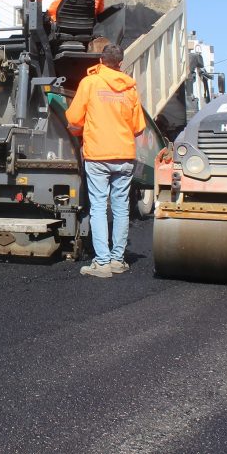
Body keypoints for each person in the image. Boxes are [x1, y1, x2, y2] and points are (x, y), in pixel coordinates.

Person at [66, 43, 147, 278]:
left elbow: (73, 117)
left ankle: (101, 263)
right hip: (124, 155)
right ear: (120, 63)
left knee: (99, 207)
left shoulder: (90, 83)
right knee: (121, 209)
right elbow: (138, 127)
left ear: (101, 61)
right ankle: (117, 261)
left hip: (98, 155)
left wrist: (80, 129)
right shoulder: (130, 89)